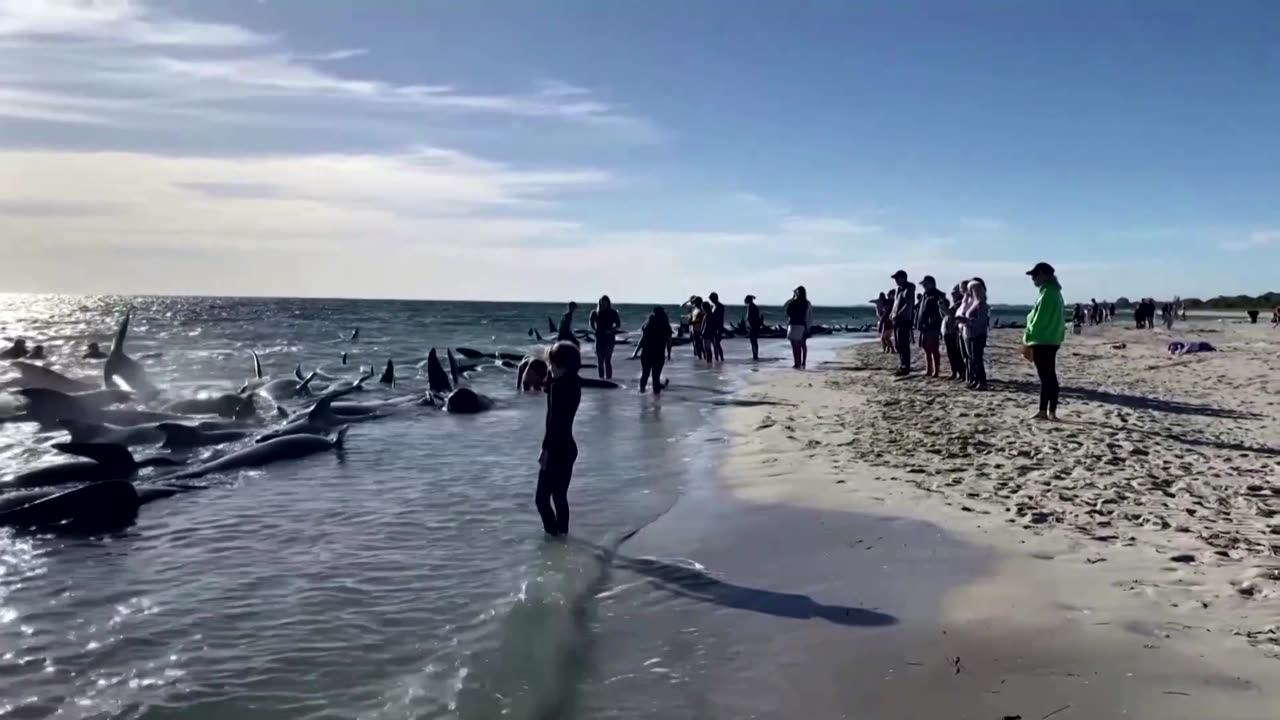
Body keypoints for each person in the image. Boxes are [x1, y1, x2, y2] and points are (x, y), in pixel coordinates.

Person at [536, 341, 582, 537]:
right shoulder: (575, 384)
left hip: (556, 448)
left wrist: (545, 450)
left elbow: (553, 423)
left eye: (552, 363)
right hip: (569, 448)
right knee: (560, 497)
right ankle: (563, 536)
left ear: (561, 364)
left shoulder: (557, 388)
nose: (549, 367)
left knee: (542, 500)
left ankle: (553, 539)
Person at [1024, 262, 1066, 421]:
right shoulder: (1054, 291)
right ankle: (1045, 411)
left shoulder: (1048, 293)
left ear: (1042, 274)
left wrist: (1027, 338)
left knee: (1047, 377)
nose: (1033, 279)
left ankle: (1050, 412)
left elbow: (1039, 320)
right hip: (1051, 339)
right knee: (1048, 377)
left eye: (1034, 275)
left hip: (1042, 339)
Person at [958, 279, 990, 390]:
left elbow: (980, 322)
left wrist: (966, 321)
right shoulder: (973, 303)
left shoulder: (981, 304)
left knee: (977, 359)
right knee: (972, 359)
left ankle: (982, 382)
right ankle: (976, 380)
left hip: (977, 335)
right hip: (970, 334)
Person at [915, 276, 946, 378]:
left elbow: (941, 309)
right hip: (923, 326)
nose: (924, 286)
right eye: (924, 284)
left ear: (932, 283)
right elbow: (920, 308)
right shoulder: (925, 295)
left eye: (926, 283)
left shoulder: (938, 295)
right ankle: (929, 369)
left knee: (934, 349)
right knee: (926, 348)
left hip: (933, 326)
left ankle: (936, 371)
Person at [638, 306, 673, 393]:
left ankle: (642, 393)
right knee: (656, 377)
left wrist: (636, 351)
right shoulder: (666, 326)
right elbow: (669, 341)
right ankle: (656, 402)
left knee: (645, 374)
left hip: (646, 353)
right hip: (659, 353)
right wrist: (669, 353)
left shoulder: (648, 324)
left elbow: (642, 339)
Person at [588, 295, 621, 379]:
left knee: (608, 359)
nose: (604, 303)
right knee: (600, 360)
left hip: (609, 338)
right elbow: (591, 323)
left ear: (608, 303)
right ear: (600, 302)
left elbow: (618, 324)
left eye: (606, 302)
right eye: (603, 301)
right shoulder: (595, 312)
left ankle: (609, 378)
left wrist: (611, 330)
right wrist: (594, 329)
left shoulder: (613, 312)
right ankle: (601, 378)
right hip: (599, 337)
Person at [889, 270, 916, 376]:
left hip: (904, 320)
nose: (896, 281)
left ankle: (905, 367)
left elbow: (908, 305)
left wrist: (897, 314)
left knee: (903, 344)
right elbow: (896, 304)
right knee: (898, 344)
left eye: (898, 278)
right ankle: (902, 365)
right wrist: (892, 314)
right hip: (897, 320)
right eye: (895, 279)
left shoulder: (909, 288)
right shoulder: (898, 290)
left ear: (904, 278)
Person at [783, 286, 813, 369]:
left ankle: (797, 362)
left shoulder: (794, 302)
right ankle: (799, 362)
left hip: (793, 324)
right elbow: (808, 316)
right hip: (801, 325)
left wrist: (792, 298)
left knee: (794, 345)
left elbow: (786, 310)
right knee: (799, 345)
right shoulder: (806, 303)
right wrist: (807, 327)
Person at [943, 284, 966, 380]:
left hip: (954, 333)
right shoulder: (955, 304)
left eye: (954, 293)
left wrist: (943, 308)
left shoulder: (961, 304)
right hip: (948, 332)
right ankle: (954, 372)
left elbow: (952, 315)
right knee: (951, 354)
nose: (952, 296)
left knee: (957, 354)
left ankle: (961, 373)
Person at [706, 292, 726, 363]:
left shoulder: (720, 306)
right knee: (714, 344)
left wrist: (720, 328)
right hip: (713, 327)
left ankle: (721, 358)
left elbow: (720, 318)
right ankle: (717, 358)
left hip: (718, 327)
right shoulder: (713, 306)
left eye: (711, 299)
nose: (711, 301)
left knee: (717, 343)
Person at [744, 295, 764, 360]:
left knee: (753, 341)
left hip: (753, 326)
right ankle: (755, 355)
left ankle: (755, 355)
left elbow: (751, 318)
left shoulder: (751, 306)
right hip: (754, 326)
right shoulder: (752, 306)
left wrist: (750, 326)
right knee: (754, 341)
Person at [687, 296, 705, 361]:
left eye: (696, 301)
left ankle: (703, 357)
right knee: (696, 343)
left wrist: (692, 322)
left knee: (701, 344)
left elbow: (701, 319)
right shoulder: (694, 309)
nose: (695, 303)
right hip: (694, 329)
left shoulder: (702, 310)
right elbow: (692, 317)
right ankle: (699, 357)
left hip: (700, 328)